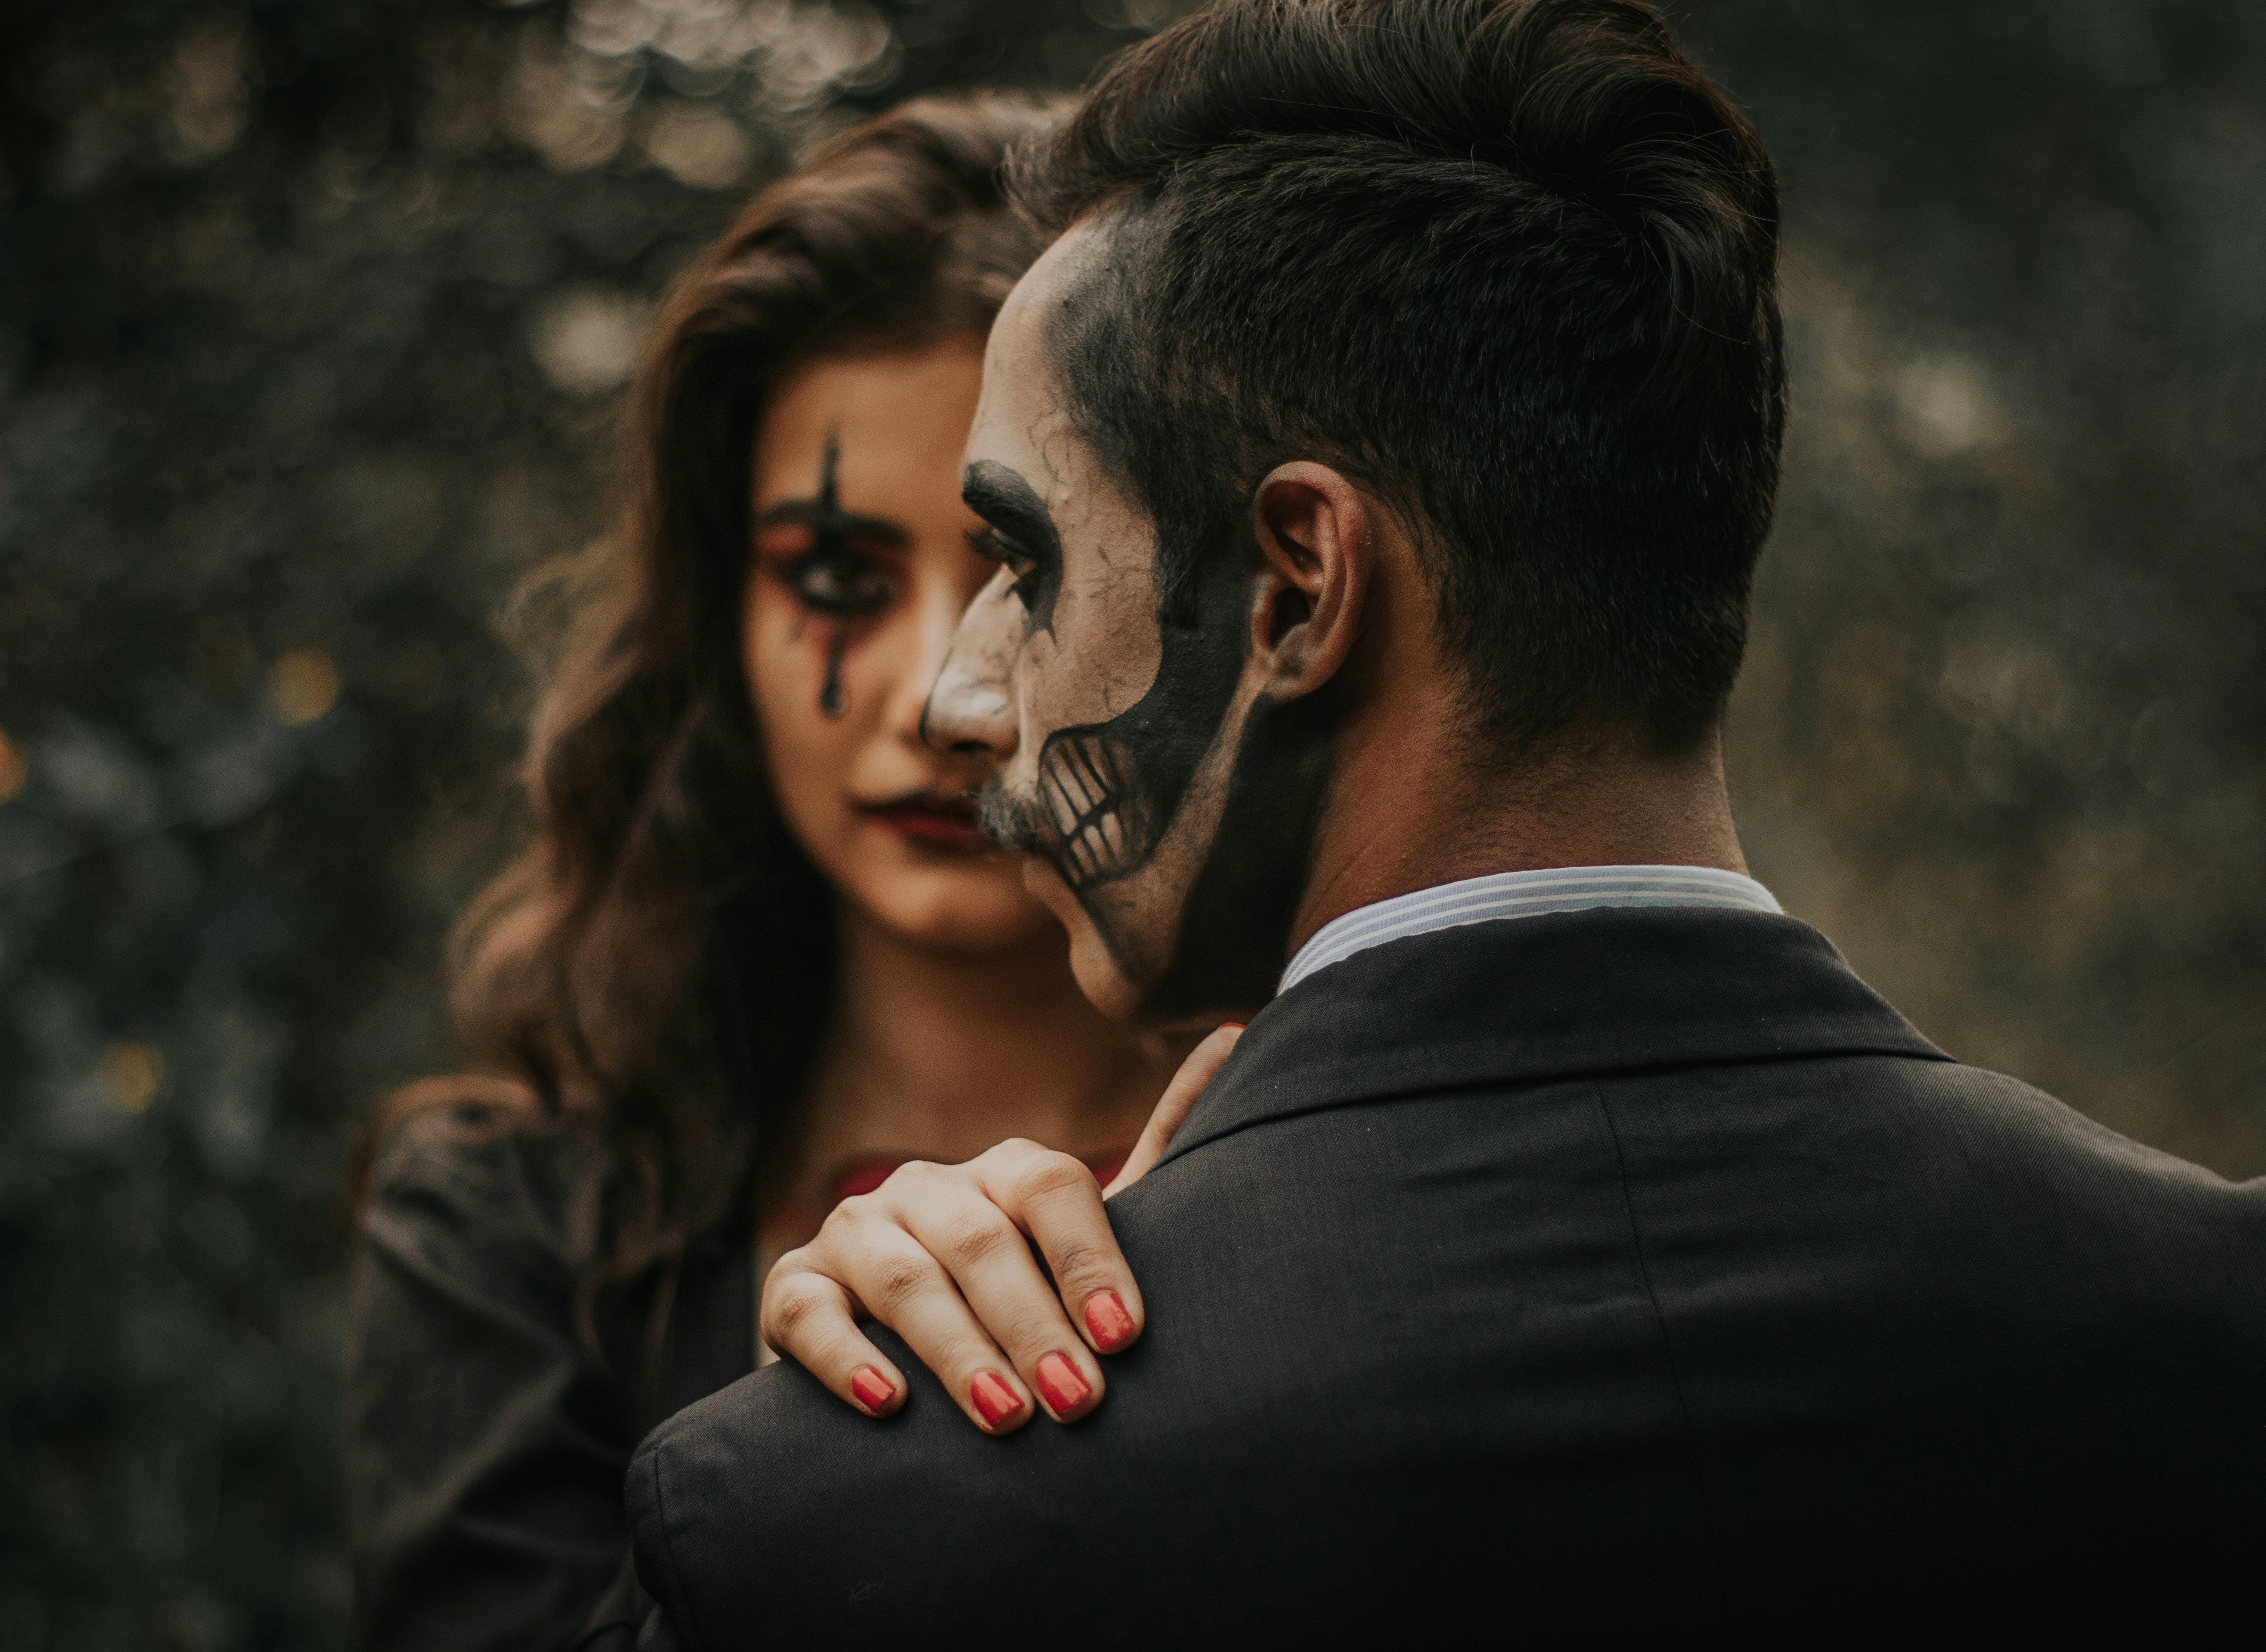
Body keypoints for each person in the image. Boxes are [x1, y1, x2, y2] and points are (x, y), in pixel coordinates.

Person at [618, 0, 2266, 1641]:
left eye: (1028, 562)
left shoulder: (841, 1513)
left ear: (1297, 587)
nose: (963, 698)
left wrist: (848, 1458)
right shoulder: (2213, 1329)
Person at [341, 94, 1196, 1651]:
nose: (938, 689)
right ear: (717, 620)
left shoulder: (1336, 1150)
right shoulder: (516, 1241)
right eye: (835, 578)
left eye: (1023, 566)